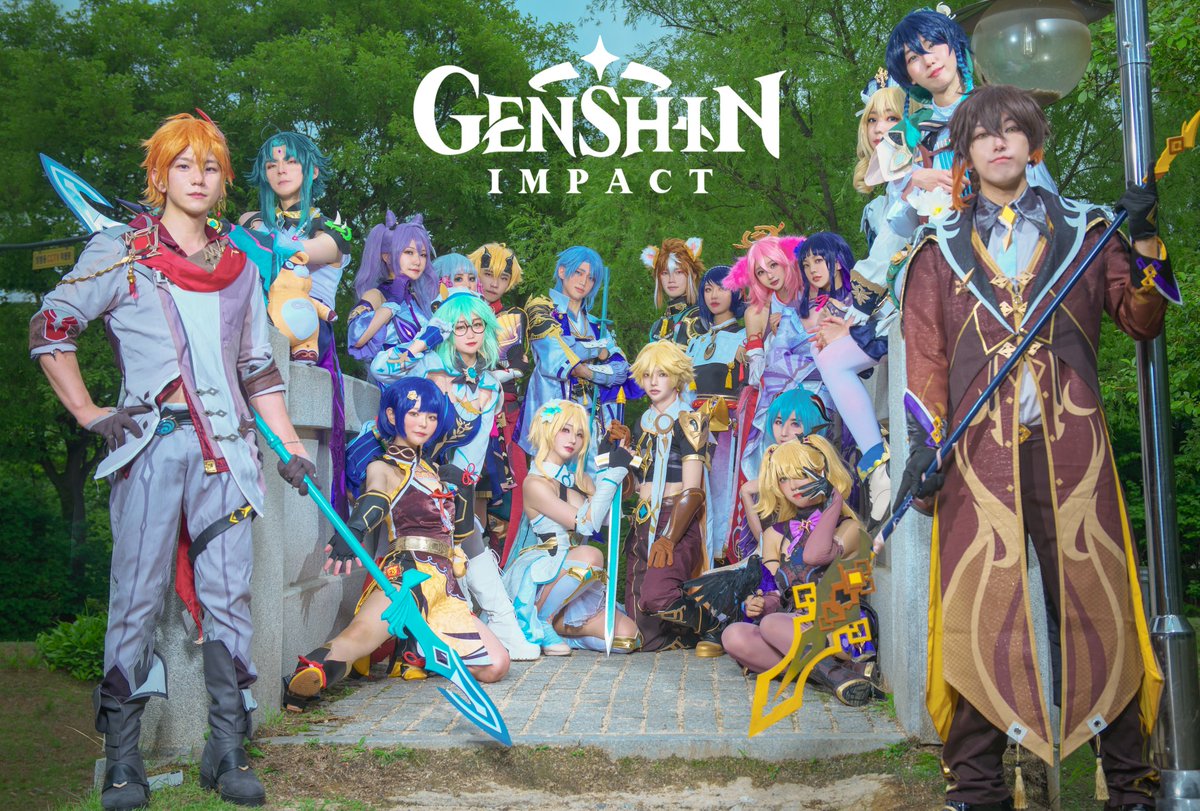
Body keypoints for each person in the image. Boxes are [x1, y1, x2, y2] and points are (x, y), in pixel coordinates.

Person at [895, 85, 1173, 810]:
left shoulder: (1089, 231)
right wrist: (925, 447)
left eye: (1012, 130)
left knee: (1100, 601)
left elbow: (1142, 318)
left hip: (1074, 451)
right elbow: (925, 360)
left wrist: (1145, 237)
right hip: (975, 458)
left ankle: (1130, 781)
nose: (999, 142)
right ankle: (977, 786)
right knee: (978, 608)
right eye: (984, 133)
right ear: (967, 151)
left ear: (1032, 143)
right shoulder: (937, 250)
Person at [30, 113, 316, 809]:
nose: (198, 178)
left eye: (210, 167)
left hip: (230, 455)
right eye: (183, 165)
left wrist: (290, 446)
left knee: (230, 597)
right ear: (159, 175)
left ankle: (227, 749)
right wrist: (89, 412)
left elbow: (257, 368)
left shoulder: (239, 265)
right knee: (135, 595)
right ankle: (123, 759)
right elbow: (51, 325)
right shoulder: (120, 251)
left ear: (223, 182)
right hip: (150, 449)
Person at [285, 377, 509, 708]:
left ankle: (418, 648)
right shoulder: (384, 466)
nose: (423, 423)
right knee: (359, 636)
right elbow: (376, 496)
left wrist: (464, 491)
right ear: (392, 415)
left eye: (431, 416)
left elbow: (460, 535)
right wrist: (355, 529)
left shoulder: (436, 472)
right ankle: (308, 678)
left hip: (445, 587)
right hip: (406, 578)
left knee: (496, 664)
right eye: (414, 414)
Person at [372, 293, 541, 660]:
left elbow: (475, 453)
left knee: (467, 542)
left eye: (477, 325)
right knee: (455, 550)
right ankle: (484, 631)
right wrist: (425, 339)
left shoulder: (490, 385)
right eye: (460, 326)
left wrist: (462, 485)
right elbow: (380, 369)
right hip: (414, 483)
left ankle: (491, 630)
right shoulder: (428, 365)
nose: (470, 333)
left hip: (455, 487)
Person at [719, 437, 874, 705]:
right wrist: (758, 603)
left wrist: (834, 499)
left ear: (824, 474)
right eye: (784, 478)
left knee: (773, 625)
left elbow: (815, 555)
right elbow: (773, 592)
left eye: (802, 474)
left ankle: (833, 670)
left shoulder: (849, 528)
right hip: (790, 628)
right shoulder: (774, 534)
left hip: (838, 628)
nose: (793, 485)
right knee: (733, 635)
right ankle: (839, 675)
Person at [502, 400, 641, 654]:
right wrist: (614, 474)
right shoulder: (535, 483)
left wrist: (606, 463)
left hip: (575, 581)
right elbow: (586, 525)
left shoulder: (578, 479)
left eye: (579, 434)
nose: (573, 439)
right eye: (565, 430)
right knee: (591, 556)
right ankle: (539, 620)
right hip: (547, 572)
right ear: (547, 430)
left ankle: (562, 634)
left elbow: (606, 520)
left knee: (627, 638)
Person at [623, 341, 717, 652]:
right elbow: (637, 482)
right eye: (647, 374)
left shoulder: (691, 421)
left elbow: (693, 492)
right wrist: (621, 457)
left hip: (676, 520)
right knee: (640, 633)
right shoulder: (641, 423)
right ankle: (679, 635)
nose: (653, 382)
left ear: (677, 376)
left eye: (662, 374)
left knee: (656, 595)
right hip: (642, 518)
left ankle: (712, 625)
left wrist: (669, 538)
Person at [519, 246, 641, 474]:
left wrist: (588, 371)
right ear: (562, 271)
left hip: (593, 423)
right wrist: (599, 351)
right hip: (554, 419)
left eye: (591, 277)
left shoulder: (597, 324)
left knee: (593, 484)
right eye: (578, 272)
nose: (584, 282)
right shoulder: (540, 310)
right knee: (550, 481)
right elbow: (559, 358)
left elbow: (622, 369)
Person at [798, 232, 891, 527]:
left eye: (818, 260)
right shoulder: (821, 307)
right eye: (806, 265)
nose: (812, 270)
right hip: (847, 394)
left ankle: (877, 469)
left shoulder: (864, 289)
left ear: (837, 261)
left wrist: (848, 330)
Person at [722, 231, 825, 487]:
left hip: (820, 387)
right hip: (777, 399)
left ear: (786, 260)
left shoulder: (814, 292)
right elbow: (757, 376)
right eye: (760, 272)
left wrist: (792, 326)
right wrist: (772, 342)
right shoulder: (757, 312)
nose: (769, 275)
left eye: (773, 265)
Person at [468, 242, 530, 562]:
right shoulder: (459, 308)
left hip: (504, 413)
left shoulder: (513, 317)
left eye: (503, 278)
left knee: (510, 492)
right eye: (488, 274)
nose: (494, 283)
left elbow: (518, 366)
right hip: (463, 409)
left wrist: (491, 376)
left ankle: (502, 564)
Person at [685, 264, 746, 564]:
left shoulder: (746, 337)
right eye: (708, 289)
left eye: (722, 288)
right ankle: (697, 560)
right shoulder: (695, 342)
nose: (714, 295)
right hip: (695, 429)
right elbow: (685, 395)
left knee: (724, 491)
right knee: (695, 491)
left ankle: (722, 554)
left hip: (728, 430)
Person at [733, 389, 830, 559]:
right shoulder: (772, 459)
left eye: (795, 424)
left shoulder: (819, 462)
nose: (784, 432)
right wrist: (747, 492)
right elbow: (762, 542)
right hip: (774, 553)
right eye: (778, 422)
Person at [347, 212, 438, 378]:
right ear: (387, 256)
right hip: (391, 382)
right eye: (409, 252)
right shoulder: (377, 295)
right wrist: (393, 302)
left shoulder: (419, 300)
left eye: (423, 254)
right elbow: (357, 337)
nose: (418, 261)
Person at [643, 237, 707, 343]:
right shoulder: (657, 326)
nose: (671, 280)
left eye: (679, 272)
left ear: (693, 275)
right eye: (665, 273)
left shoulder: (700, 318)